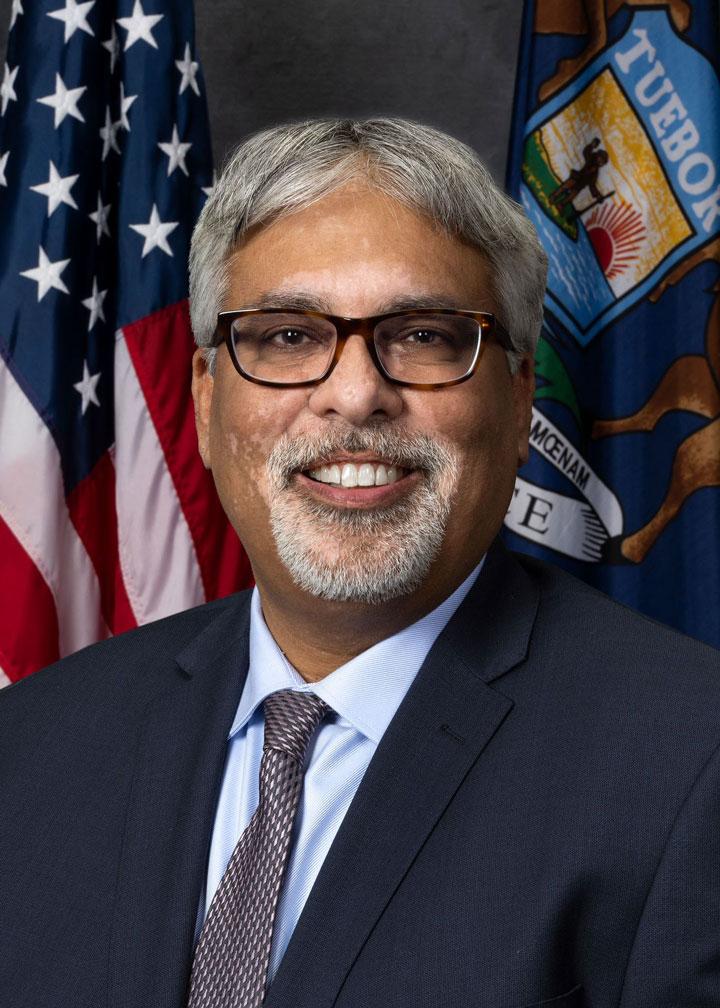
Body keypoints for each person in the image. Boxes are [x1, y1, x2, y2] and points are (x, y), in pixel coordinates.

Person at [1, 118, 719, 1008]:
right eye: (287, 337)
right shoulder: (31, 751)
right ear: (204, 398)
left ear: (519, 392)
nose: (353, 394)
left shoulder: (691, 766)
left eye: (423, 335)